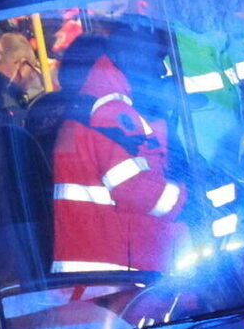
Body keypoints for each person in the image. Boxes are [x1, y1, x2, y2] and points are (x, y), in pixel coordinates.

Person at [47, 34, 188, 289]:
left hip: (94, 270)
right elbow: (133, 189)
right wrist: (187, 198)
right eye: (153, 58)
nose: (162, 68)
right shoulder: (110, 112)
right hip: (114, 273)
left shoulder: (86, 111)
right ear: (124, 58)